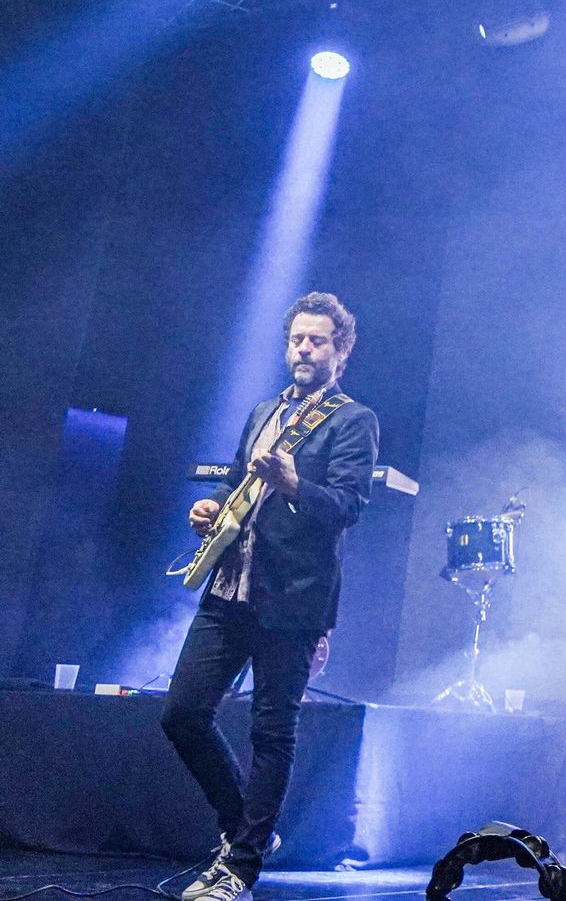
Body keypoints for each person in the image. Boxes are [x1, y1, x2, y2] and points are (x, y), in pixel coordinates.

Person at [161, 292, 379, 901]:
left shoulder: (352, 419)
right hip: (231, 586)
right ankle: (246, 829)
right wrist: (210, 509)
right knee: (181, 714)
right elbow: (235, 480)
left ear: (341, 350)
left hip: (294, 601)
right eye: (297, 340)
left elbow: (347, 507)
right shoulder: (264, 410)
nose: (304, 350)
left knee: (271, 732)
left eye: (317, 341)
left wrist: (293, 483)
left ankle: (240, 869)